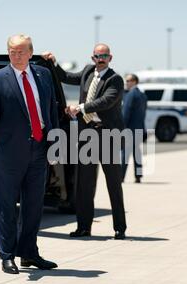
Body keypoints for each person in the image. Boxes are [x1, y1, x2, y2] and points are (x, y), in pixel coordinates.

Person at [0, 34, 59, 274]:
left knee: (34, 206)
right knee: (5, 206)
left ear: (30, 52)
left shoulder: (44, 75)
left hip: (38, 148)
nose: (16, 55)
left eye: (21, 51)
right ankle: (7, 256)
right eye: (12, 51)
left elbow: (51, 109)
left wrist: (55, 144)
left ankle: (28, 253)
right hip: (8, 153)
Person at [42, 44, 127, 240]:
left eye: (104, 55)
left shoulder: (115, 79)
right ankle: (83, 227)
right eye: (98, 56)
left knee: (113, 183)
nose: (101, 58)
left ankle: (119, 228)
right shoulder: (88, 71)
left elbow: (106, 101)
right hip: (87, 134)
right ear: (92, 58)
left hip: (108, 135)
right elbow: (66, 77)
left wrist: (80, 108)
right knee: (84, 185)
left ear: (110, 58)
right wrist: (53, 63)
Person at [121, 74, 147, 183]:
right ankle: (138, 175)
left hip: (129, 129)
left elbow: (126, 113)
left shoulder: (130, 95)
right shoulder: (142, 95)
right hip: (139, 128)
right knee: (137, 154)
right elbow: (143, 113)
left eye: (129, 80)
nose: (126, 82)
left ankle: (120, 176)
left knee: (125, 154)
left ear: (135, 81)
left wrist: (122, 127)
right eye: (126, 80)